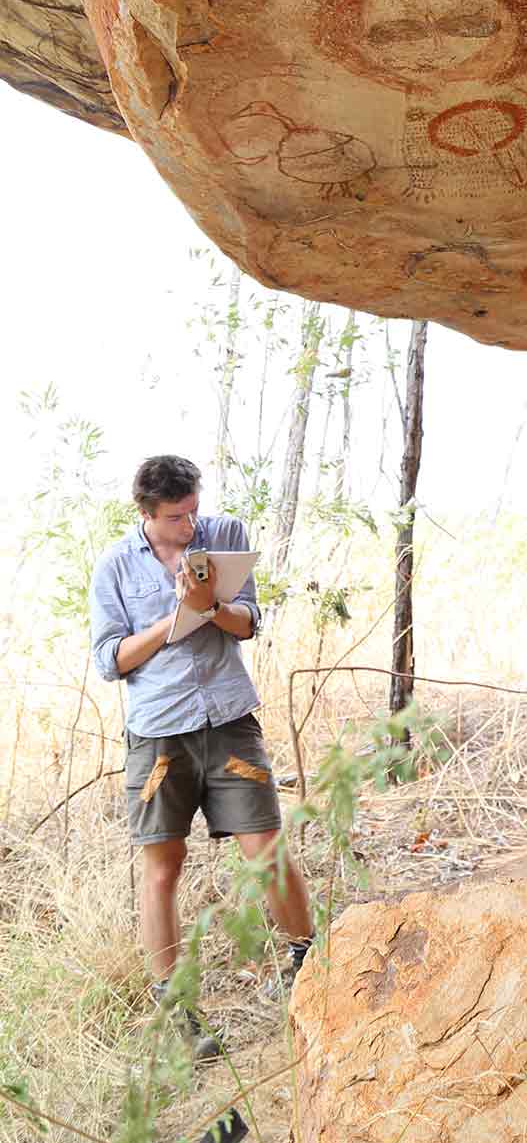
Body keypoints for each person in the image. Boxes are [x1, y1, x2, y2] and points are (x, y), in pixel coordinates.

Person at [90, 454, 313, 1060]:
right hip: (159, 732)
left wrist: (211, 606)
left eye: (193, 511)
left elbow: (249, 624)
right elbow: (109, 660)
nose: (190, 526)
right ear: (146, 515)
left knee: (265, 847)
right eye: (175, 518)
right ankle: (178, 1012)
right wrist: (175, 622)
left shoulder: (227, 536)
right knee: (163, 868)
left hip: (228, 718)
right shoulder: (115, 564)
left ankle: (308, 968)